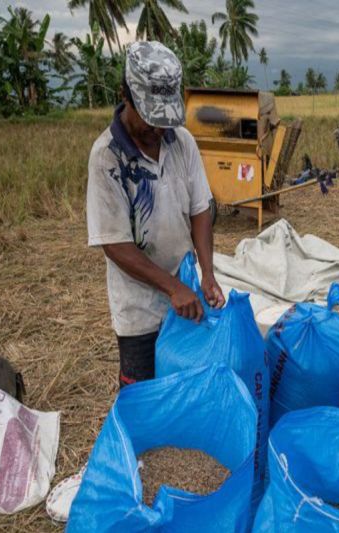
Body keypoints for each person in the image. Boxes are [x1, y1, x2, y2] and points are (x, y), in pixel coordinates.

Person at [86, 41, 225, 388]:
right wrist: (171, 288)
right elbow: (115, 244)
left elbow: (200, 207)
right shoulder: (107, 158)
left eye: (165, 120)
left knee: (186, 388)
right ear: (125, 95)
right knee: (144, 397)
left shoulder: (182, 142)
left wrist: (206, 273)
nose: (159, 130)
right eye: (151, 118)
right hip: (140, 311)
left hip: (187, 296)